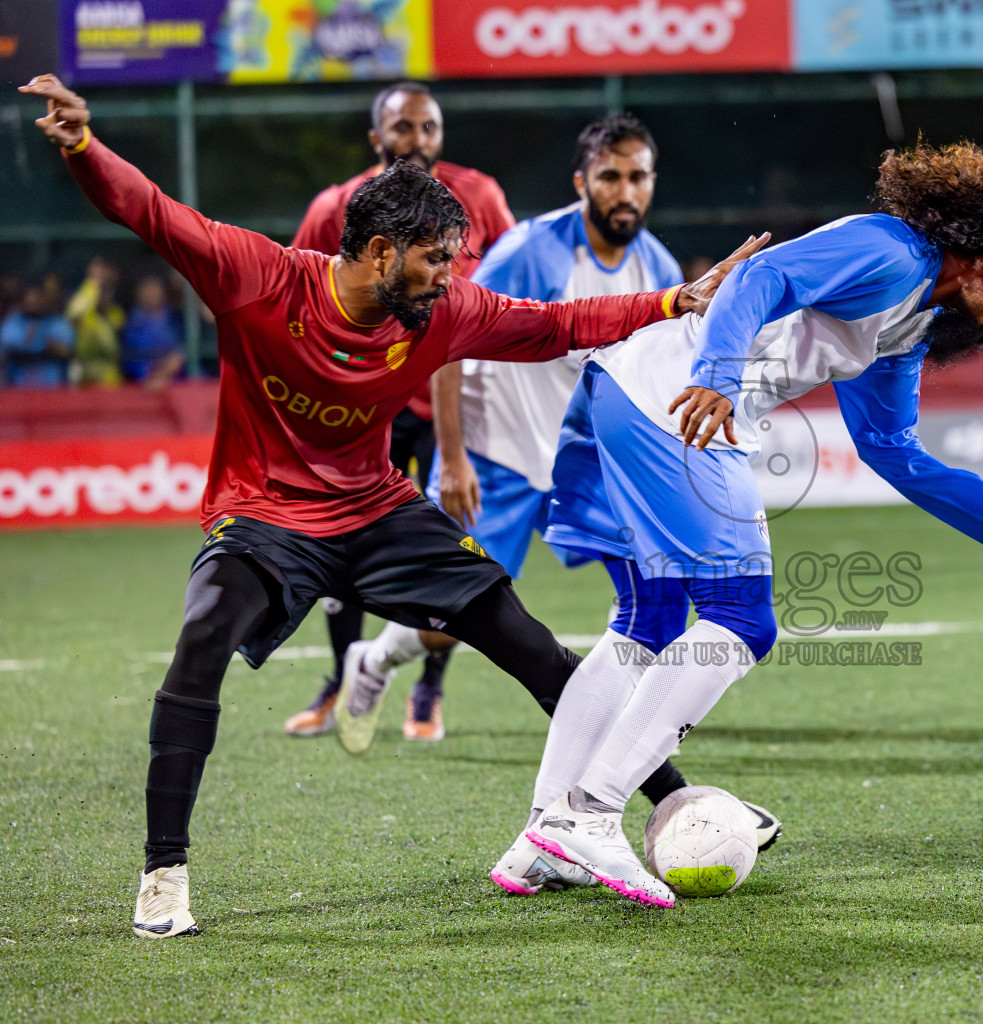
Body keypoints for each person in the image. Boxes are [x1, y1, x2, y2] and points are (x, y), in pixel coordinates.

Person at [19, 72, 759, 938]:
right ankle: (163, 874)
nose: (451, 276)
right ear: (378, 253)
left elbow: (555, 323)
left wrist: (675, 300)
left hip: (378, 511)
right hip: (265, 516)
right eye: (436, 258)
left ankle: (670, 801)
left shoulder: (439, 312)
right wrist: (81, 146)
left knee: (521, 636)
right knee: (202, 637)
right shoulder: (259, 278)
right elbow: (151, 211)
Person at [515, 140, 983, 908]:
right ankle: (592, 814)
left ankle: (540, 835)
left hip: (626, 391)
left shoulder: (910, 322)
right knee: (742, 619)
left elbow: (889, 447)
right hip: (673, 403)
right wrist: (714, 378)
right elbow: (760, 276)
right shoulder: (894, 254)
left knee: (645, 620)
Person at [344, 113, 684, 743]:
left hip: (581, 462)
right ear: (583, 181)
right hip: (497, 453)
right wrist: (454, 458)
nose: (625, 190)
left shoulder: (657, 269)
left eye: (638, 177)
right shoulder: (534, 250)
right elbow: (449, 332)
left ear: (652, 182)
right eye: (610, 176)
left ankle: (625, 722)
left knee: (656, 583)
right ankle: (373, 659)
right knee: (455, 614)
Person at [283, 80, 516, 742]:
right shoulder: (336, 207)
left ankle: (428, 691)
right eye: (404, 128)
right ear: (376, 137)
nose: (418, 141)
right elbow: (298, 291)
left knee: (446, 546)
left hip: (454, 400)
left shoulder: (483, 198)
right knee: (341, 542)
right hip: (363, 403)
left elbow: (514, 287)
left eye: (430, 129)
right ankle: (339, 678)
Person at [1, 278, 75, 387]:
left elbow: (66, 349)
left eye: (37, 298)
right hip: (18, 390)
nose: (33, 302)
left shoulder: (57, 322)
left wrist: (51, 349)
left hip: (53, 391)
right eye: (30, 298)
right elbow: (9, 348)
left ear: (44, 298)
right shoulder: (14, 322)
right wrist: (40, 346)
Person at [66, 257, 124, 386]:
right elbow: (73, 315)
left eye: (102, 272)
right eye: (94, 272)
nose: (99, 276)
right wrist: (93, 287)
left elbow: (117, 328)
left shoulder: (116, 307)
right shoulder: (85, 296)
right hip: (84, 368)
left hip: (109, 369)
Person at [120, 274, 186, 386]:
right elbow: (132, 354)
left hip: (177, 375)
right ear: (140, 293)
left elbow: (183, 345)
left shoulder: (174, 317)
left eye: (156, 289)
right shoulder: (133, 321)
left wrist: (176, 360)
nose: (153, 293)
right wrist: (159, 370)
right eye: (149, 290)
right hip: (144, 376)